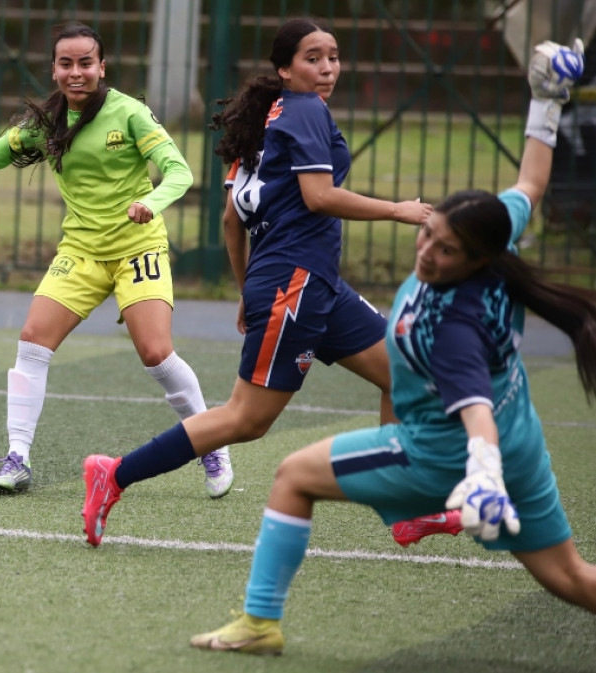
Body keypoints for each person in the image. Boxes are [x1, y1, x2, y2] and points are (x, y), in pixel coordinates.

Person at [187, 38, 596, 655]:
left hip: (445, 455)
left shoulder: (451, 322)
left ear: (476, 260)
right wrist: (546, 99)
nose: (427, 250)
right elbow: (532, 181)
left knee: (292, 476)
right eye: (427, 232)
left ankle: (260, 623)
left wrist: (480, 474)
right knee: (570, 578)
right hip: (523, 450)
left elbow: (473, 405)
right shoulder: (493, 230)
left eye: (444, 249)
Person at [81, 17, 450, 548]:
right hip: (295, 283)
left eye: (333, 56)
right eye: (312, 58)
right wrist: (399, 210)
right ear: (285, 68)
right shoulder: (303, 111)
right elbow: (319, 196)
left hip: (305, 282)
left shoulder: (263, 118)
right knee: (246, 420)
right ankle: (112, 474)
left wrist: (246, 288)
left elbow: (232, 220)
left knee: (404, 376)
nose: (327, 68)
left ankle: (404, 505)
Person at [0, 22, 233, 497]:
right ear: (53, 70)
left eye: (86, 63)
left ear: (102, 67)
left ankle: (209, 441)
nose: (77, 72)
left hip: (138, 248)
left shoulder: (129, 112)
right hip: (82, 252)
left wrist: (150, 204)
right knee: (33, 340)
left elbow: (179, 170)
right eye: (66, 64)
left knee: (155, 352)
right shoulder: (45, 123)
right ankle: (17, 458)